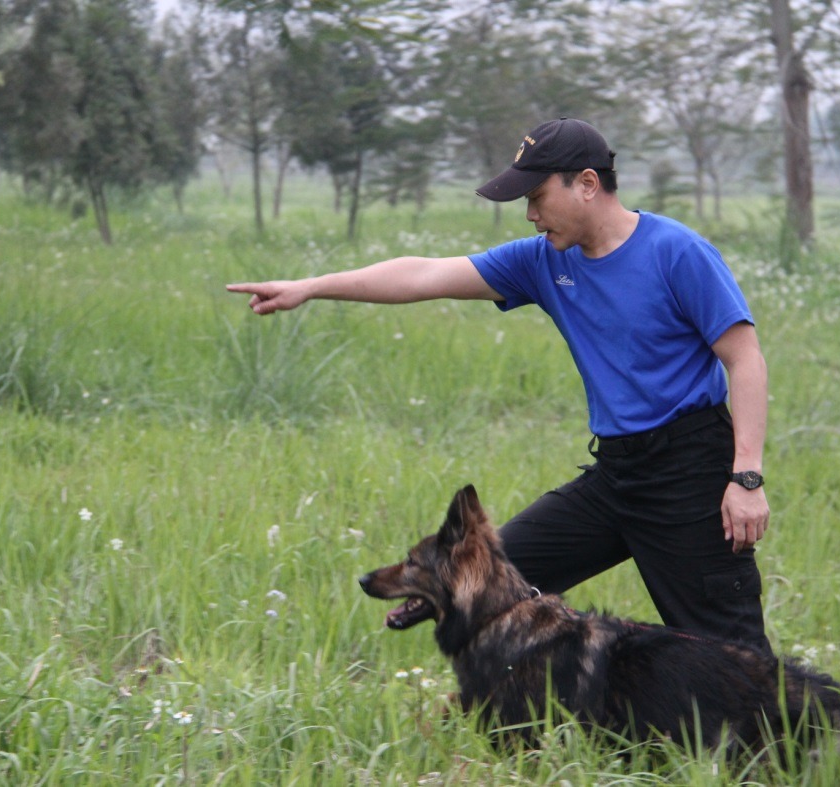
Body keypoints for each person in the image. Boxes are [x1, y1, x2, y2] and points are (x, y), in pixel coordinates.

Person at [226, 118, 772, 654]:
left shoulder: (677, 252)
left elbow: (743, 359)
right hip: (617, 475)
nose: (531, 215)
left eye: (537, 197)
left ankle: (819, 736)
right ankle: (543, 716)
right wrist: (311, 287)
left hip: (689, 476)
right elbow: (423, 275)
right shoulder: (542, 262)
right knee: (487, 584)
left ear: (586, 183)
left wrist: (745, 477)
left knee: (734, 659)